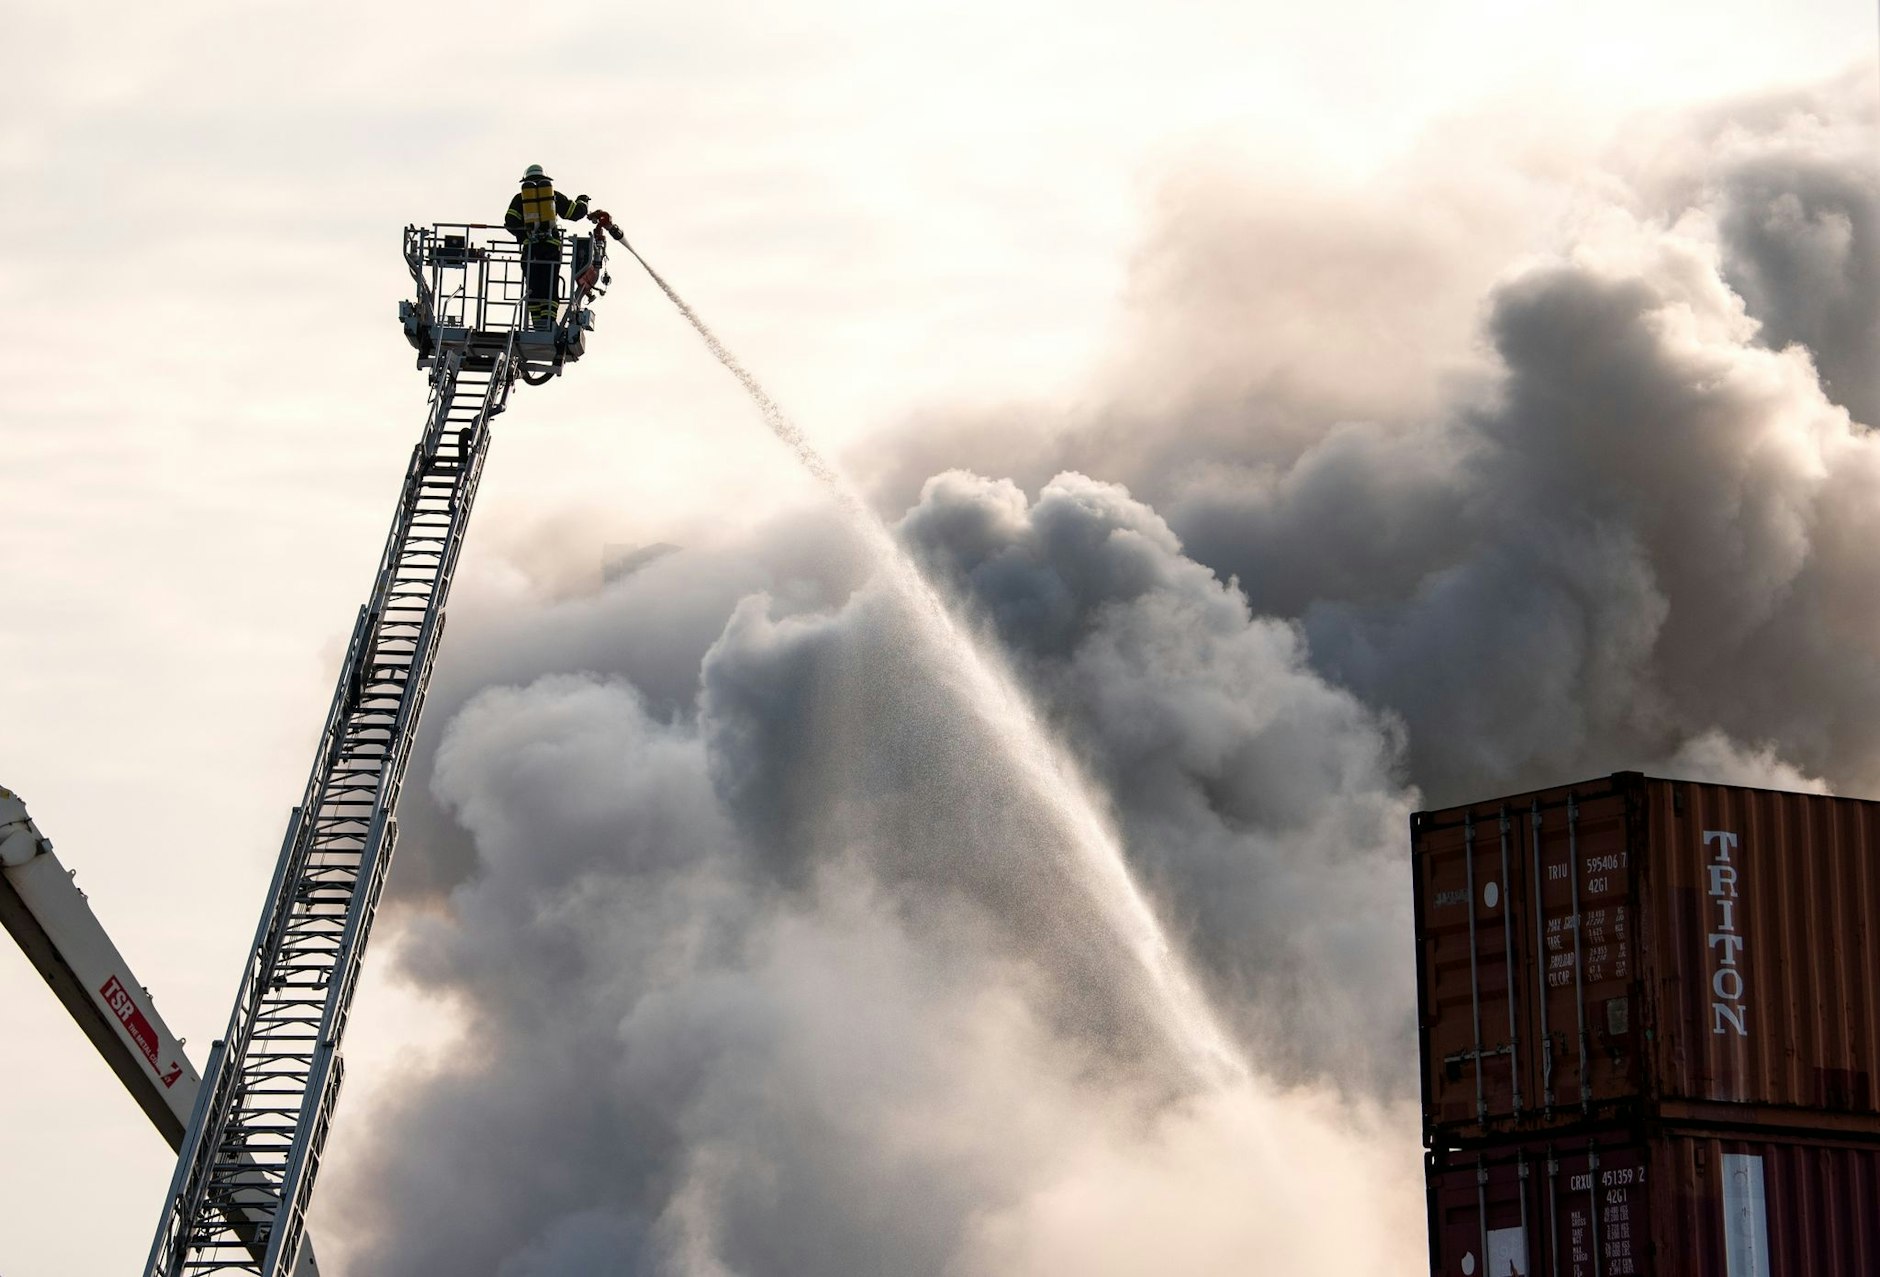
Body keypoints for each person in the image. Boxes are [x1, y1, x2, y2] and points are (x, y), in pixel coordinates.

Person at [504, 165, 592, 330]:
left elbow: (510, 222)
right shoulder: (553, 196)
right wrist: (583, 200)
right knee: (550, 285)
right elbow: (574, 213)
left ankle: (537, 323)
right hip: (551, 249)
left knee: (533, 287)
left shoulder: (520, 199)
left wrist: (524, 236)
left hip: (531, 250)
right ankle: (548, 322)